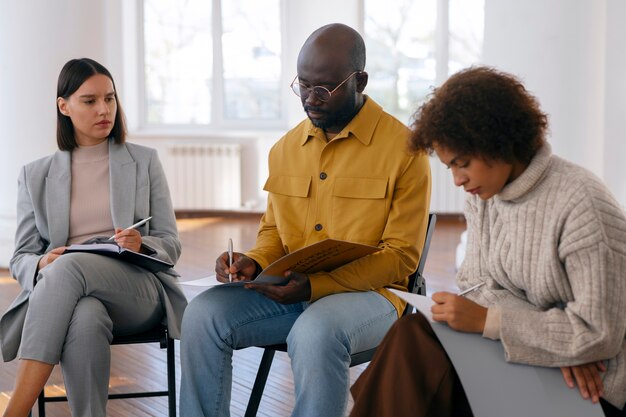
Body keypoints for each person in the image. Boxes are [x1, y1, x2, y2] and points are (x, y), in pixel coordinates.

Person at [180, 23, 431, 417]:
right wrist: (254, 262)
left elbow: (400, 258)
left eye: (324, 89)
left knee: (316, 331)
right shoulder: (285, 149)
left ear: (359, 81)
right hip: (293, 292)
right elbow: (273, 232)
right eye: (303, 85)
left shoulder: (405, 151)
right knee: (202, 315)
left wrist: (318, 286)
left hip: (375, 297)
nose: (310, 100)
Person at [349, 66, 626, 417]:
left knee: (418, 356)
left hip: (590, 388)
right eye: (449, 166)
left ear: (500, 141)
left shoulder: (582, 204)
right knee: (416, 336)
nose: (458, 180)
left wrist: (491, 322)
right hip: (541, 359)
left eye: (462, 163)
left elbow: (597, 335)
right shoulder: (486, 196)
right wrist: (552, 344)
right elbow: (477, 286)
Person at [0, 58, 187, 417]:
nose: (104, 109)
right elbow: (21, 256)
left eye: (110, 98)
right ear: (63, 106)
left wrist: (142, 243)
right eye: (90, 101)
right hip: (73, 293)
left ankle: (15, 412)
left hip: (137, 290)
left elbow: (170, 242)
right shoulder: (35, 175)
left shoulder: (144, 161)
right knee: (84, 315)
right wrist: (42, 261)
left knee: (69, 270)